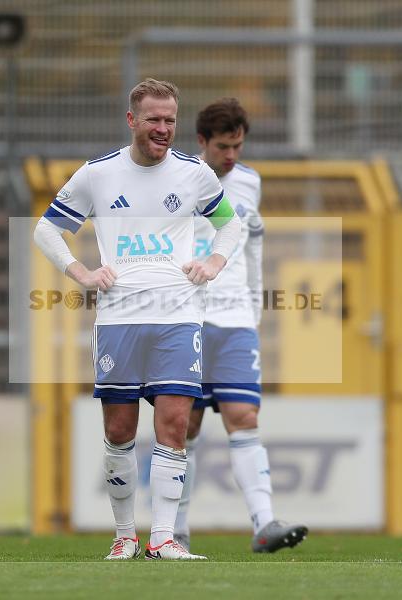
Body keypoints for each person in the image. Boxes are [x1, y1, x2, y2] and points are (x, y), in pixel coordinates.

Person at [33, 79, 242, 561]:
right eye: (154, 119)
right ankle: (125, 535)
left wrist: (212, 263)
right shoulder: (97, 174)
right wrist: (80, 272)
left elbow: (230, 224)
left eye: (170, 120)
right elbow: (47, 228)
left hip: (178, 315)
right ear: (132, 121)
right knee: (120, 430)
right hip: (120, 318)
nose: (164, 128)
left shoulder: (195, 174)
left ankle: (164, 538)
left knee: (173, 423)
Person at [175, 98, 308, 553]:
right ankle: (174, 529)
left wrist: (253, 310)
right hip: (185, 318)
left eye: (237, 146)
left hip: (234, 321)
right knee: (183, 426)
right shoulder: (176, 179)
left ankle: (264, 524)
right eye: (223, 146)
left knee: (244, 417)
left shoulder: (251, 182)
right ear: (201, 143)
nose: (231, 155)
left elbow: (252, 247)